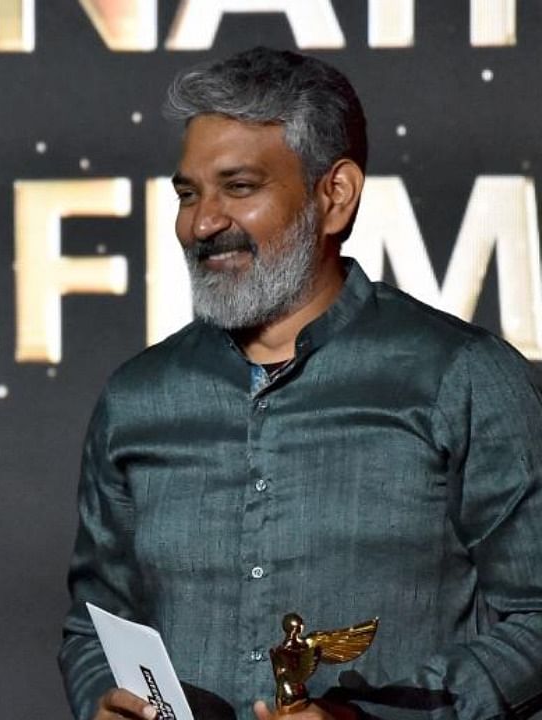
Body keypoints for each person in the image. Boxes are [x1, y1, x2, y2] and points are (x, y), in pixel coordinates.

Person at [58, 46, 542, 720]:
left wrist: (371, 717)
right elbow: (92, 627)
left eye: (241, 186)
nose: (203, 223)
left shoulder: (460, 378)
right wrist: (101, 700)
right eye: (189, 194)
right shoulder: (139, 400)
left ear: (334, 196)